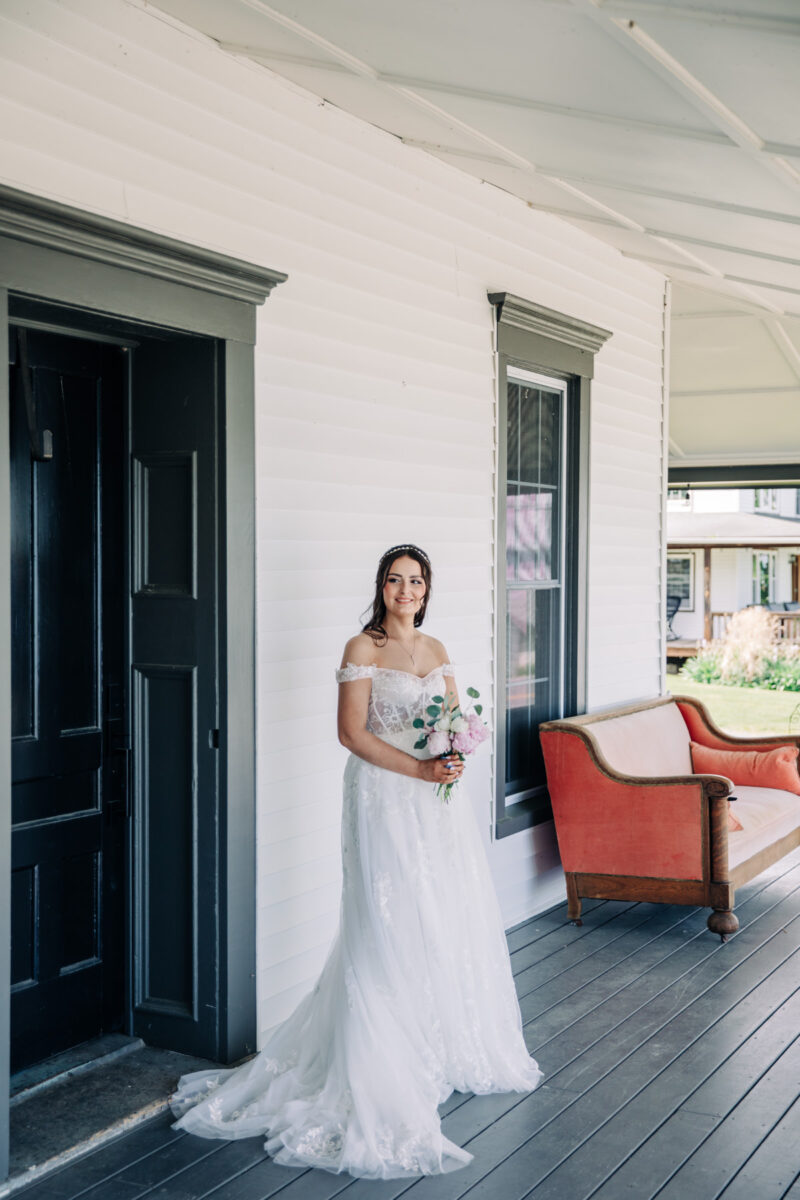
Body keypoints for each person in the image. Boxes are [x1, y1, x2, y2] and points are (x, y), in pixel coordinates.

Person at [170, 544, 542, 1178]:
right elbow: (353, 734)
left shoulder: (438, 650)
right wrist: (421, 765)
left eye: (415, 581)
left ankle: (432, 1044)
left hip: (435, 803)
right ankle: (379, 1063)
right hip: (382, 795)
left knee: (436, 916)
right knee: (385, 918)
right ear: (382, 586)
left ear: (427, 590)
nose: (405, 590)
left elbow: (453, 720)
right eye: (395, 580)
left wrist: (454, 753)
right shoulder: (361, 648)